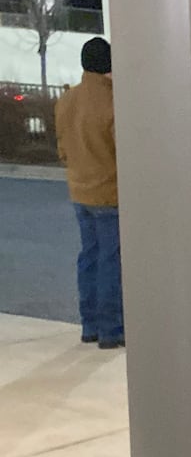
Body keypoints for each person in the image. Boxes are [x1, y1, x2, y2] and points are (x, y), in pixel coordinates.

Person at [54, 36, 123, 349]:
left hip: (79, 192)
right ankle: (112, 330)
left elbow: (63, 150)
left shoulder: (66, 100)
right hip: (110, 193)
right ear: (108, 66)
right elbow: (123, 152)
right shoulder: (114, 103)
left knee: (89, 257)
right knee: (112, 261)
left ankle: (90, 325)